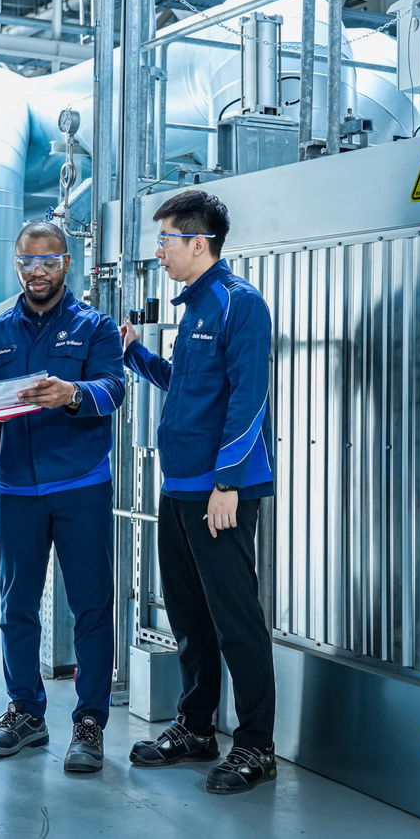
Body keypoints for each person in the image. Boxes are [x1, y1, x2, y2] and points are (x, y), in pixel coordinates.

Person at [120, 190, 278, 795]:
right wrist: (136, 355)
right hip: (179, 486)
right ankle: (195, 727)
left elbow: (248, 400)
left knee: (235, 618)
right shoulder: (194, 309)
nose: (157, 252)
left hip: (220, 492)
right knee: (189, 614)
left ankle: (257, 747)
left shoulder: (241, 305)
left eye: (165, 240)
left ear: (198, 243)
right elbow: (187, 388)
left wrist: (226, 482)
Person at [0, 221, 125, 772]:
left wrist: (72, 393)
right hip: (15, 488)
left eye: (49, 261)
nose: (37, 272)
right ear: (16, 265)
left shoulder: (95, 327)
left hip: (80, 483)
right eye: (27, 263)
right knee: (16, 605)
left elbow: (115, 388)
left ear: (68, 262)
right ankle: (25, 713)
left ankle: (89, 722)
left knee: (90, 605)